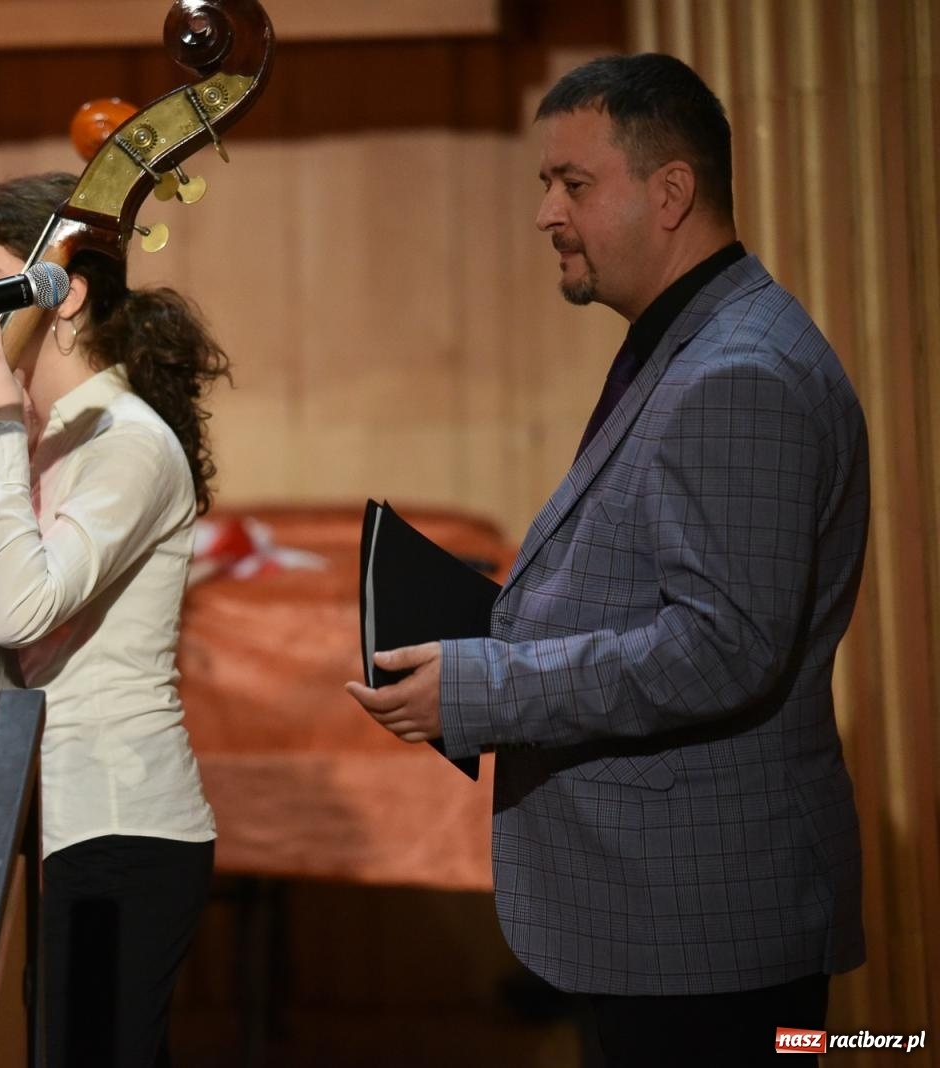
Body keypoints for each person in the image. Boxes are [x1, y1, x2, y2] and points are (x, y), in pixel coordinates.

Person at [345, 54, 868, 1065]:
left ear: (669, 192)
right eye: (547, 184)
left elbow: (722, 648)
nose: (546, 213)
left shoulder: (737, 372)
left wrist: (485, 686)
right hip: (668, 921)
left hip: (706, 929)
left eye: (572, 184)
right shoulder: (692, 340)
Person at [0, 172, 228, 1068]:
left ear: (66, 296)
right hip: (61, 822)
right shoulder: (57, 430)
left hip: (120, 831)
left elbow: (21, 612)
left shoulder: (128, 443)